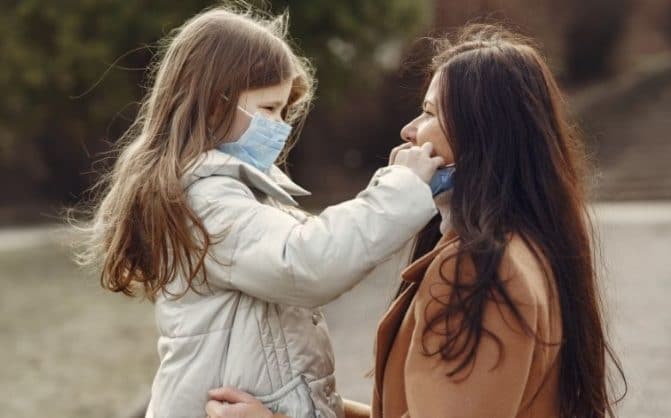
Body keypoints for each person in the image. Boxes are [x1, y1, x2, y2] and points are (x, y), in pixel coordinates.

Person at [204, 24, 625, 418]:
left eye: (429, 113)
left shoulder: (477, 268)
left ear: (483, 135)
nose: (409, 130)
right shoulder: (526, 248)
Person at [75, 6, 449, 418]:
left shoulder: (241, 193)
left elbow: (317, 242)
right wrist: (400, 189)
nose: (281, 125)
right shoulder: (206, 199)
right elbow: (307, 262)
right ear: (213, 105)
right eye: (269, 109)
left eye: (283, 111)